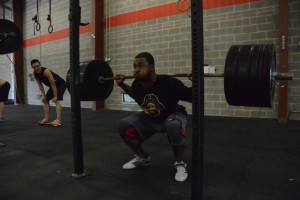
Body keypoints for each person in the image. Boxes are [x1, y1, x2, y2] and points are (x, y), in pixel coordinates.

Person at [115, 52, 192, 182]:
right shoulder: (136, 84)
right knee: (124, 125)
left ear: (152, 67)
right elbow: (135, 95)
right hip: (150, 118)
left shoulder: (170, 83)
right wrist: (122, 85)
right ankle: (143, 158)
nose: (136, 70)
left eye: (141, 66)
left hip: (172, 115)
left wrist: (197, 81)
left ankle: (179, 163)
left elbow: (192, 97)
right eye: (134, 66)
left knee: (173, 125)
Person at [31, 59, 67, 126]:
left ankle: (58, 120)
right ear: (32, 67)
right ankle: (46, 118)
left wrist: (55, 96)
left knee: (57, 100)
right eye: (34, 67)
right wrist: (43, 96)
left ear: (40, 65)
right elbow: (40, 85)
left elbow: (53, 84)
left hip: (60, 84)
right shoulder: (35, 74)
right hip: (53, 86)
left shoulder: (46, 71)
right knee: (45, 100)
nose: (36, 68)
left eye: (37, 66)